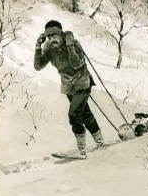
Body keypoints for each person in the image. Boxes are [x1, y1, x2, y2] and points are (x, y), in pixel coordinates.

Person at [34, 20, 105, 159]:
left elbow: (77, 64)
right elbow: (38, 66)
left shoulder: (73, 43)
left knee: (74, 114)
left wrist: (70, 45)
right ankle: (100, 142)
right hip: (68, 86)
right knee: (85, 114)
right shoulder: (48, 47)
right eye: (48, 37)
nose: (51, 40)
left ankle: (81, 150)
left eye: (54, 36)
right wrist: (38, 46)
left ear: (61, 34)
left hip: (82, 82)